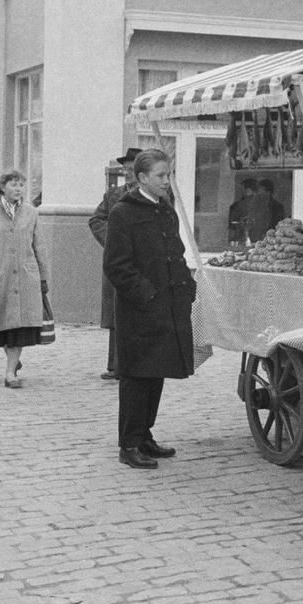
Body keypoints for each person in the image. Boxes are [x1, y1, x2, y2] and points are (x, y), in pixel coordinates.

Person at [103, 149, 195, 469]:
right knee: (136, 377)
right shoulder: (122, 213)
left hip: (167, 306)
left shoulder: (165, 209)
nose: (166, 182)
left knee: (156, 372)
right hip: (139, 310)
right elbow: (117, 267)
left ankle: (144, 436)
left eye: (168, 175)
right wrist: (148, 296)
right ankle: (128, 444)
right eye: (160, 176)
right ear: (142, 178)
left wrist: (187, 287)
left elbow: (177, 253)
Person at [0, 170, 49, 389]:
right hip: (0, 278)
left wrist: (43, 277)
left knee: (19, 328)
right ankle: (13, 360)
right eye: (13, 184)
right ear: (2, 187)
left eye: (21, 185)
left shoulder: (31, 213)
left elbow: (40, 247)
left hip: (26, 278)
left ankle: (10, 373)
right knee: (2, 328)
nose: (18, 189)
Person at [88, 148, 141, 381]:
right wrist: (113, 240)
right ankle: (115, 365)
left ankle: (137, 364)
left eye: (131, 170)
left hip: (141, 263)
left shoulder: (152, 196)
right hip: (116, 262)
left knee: (137, 313)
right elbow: (96, 219)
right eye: (125, 170)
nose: (127, 174)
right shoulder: (113, 195)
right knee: (115, 314)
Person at [227, 178, 259, 246]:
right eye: (243, 190)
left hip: (258, 241)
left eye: (246, 190)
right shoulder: (236, 206)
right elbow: (232, 226)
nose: (243, 192)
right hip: (240, 240)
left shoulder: (262, 206)